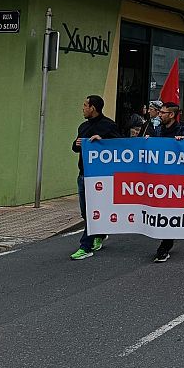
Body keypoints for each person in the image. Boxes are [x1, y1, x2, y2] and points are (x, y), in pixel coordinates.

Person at [70, 95, 121, 260]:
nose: (83, 108)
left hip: (101, 177)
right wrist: (76, 144)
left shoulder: (109, 125)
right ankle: (100, 233)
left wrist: (102, 141)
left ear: (93, 108)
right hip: (83, 175)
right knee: (85, 212)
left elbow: (120, 145)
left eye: (85, 105)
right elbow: (75, 148)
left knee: (93, 211)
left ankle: (85, 246)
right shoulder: (83, 126)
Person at [153, 102, 184, 263]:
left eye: (162, 112)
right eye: (159, 112)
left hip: (176, 179)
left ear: (171, 115)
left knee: (169, 209)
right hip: (159, 177)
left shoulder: (183, 129)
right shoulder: (157, 130)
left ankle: (165, 244)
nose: (159, 115)